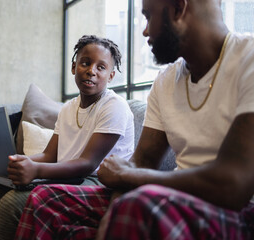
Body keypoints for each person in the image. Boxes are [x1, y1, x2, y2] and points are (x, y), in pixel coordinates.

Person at [14, 0, 254, 239]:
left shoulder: (248, 60)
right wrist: (116, 201)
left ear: (179, 9)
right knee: (44, 200)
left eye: (149, 16)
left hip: (238, 213)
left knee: (137, 208)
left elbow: (233, 185)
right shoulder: (165, 81)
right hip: (168, 200)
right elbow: (141, 163)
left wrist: (127, 179)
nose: (145, 31)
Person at [0, 35, 135, 240]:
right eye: (85, 63)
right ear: (74, 67)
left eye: (101, 67)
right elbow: (50, 155)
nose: (91, 71)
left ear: (110, 76)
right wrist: (12, 163)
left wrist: (36, 170)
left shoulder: (114, 106)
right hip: (69, 178)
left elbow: (88, 163)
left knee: (11, 204)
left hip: (96, 182)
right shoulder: (68, 108)